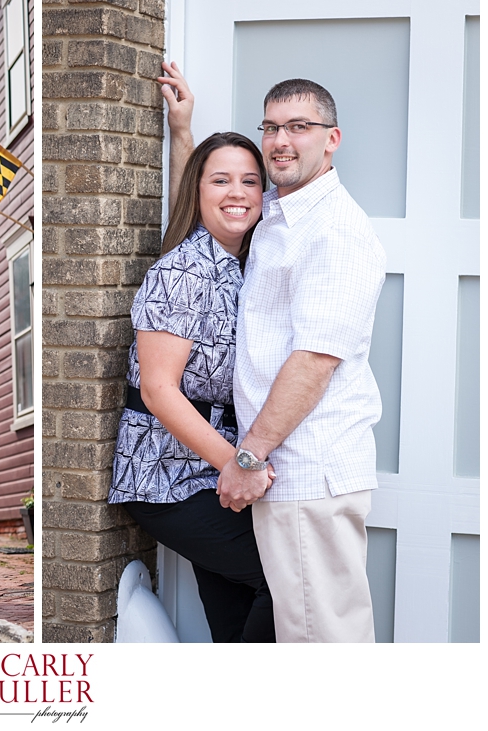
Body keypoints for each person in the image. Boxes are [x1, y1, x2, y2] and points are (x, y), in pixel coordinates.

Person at [165, 64, 387, 642]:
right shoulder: (279, 216)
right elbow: (210, 203)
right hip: (286, 471)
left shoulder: (333, 231)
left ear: (331, 138)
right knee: (303, 631)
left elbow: (315, 361)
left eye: (299, 127)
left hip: (308, 468)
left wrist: (247, 458)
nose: (281, 141)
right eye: (270, 127)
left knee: (321, 639)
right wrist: (182, 133)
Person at [108, 130, 275, 642]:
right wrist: (236, 464)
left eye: (250, 180)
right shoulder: (182, 269)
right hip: (166, 476)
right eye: (220, 180)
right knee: (282, 580)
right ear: (198, 191)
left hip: (210, 469)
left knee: (238, 607)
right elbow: (159, 391)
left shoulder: (244, 262)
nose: (237, 192)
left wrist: (182, 131)